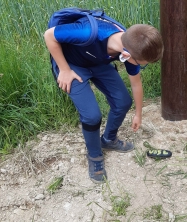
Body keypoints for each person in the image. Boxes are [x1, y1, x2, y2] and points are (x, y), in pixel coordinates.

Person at [44, 14, 164, 184]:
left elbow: (136, 84)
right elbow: (49, 35)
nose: (140, 66)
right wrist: (63, 69)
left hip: (98, 63)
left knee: (123, 102)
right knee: (92, 116)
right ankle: (94, 155)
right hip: (72, 64)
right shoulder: (87, 32)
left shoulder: (130, 49)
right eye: (142, 63)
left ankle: (108, 139)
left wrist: (138, 113)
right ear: (127, 53)